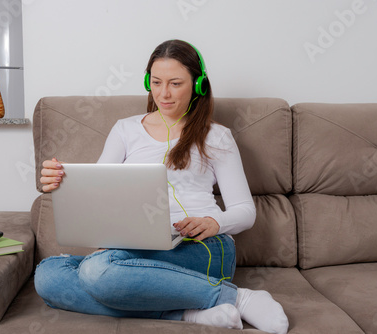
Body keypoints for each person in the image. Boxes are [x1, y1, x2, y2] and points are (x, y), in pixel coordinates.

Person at [34, 39, 289, 334]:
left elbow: (246, 211)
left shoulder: (217, 137)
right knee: (48, 275)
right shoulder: (125, 130)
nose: (163, 94)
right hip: (134, 250)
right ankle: (189, 314)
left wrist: (213, 222)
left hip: (201, 247)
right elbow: (98, 191)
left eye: (175, 83)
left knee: (97, 271)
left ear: (198, 85)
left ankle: (238, 298)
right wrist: (60, 181)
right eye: (155, 82)